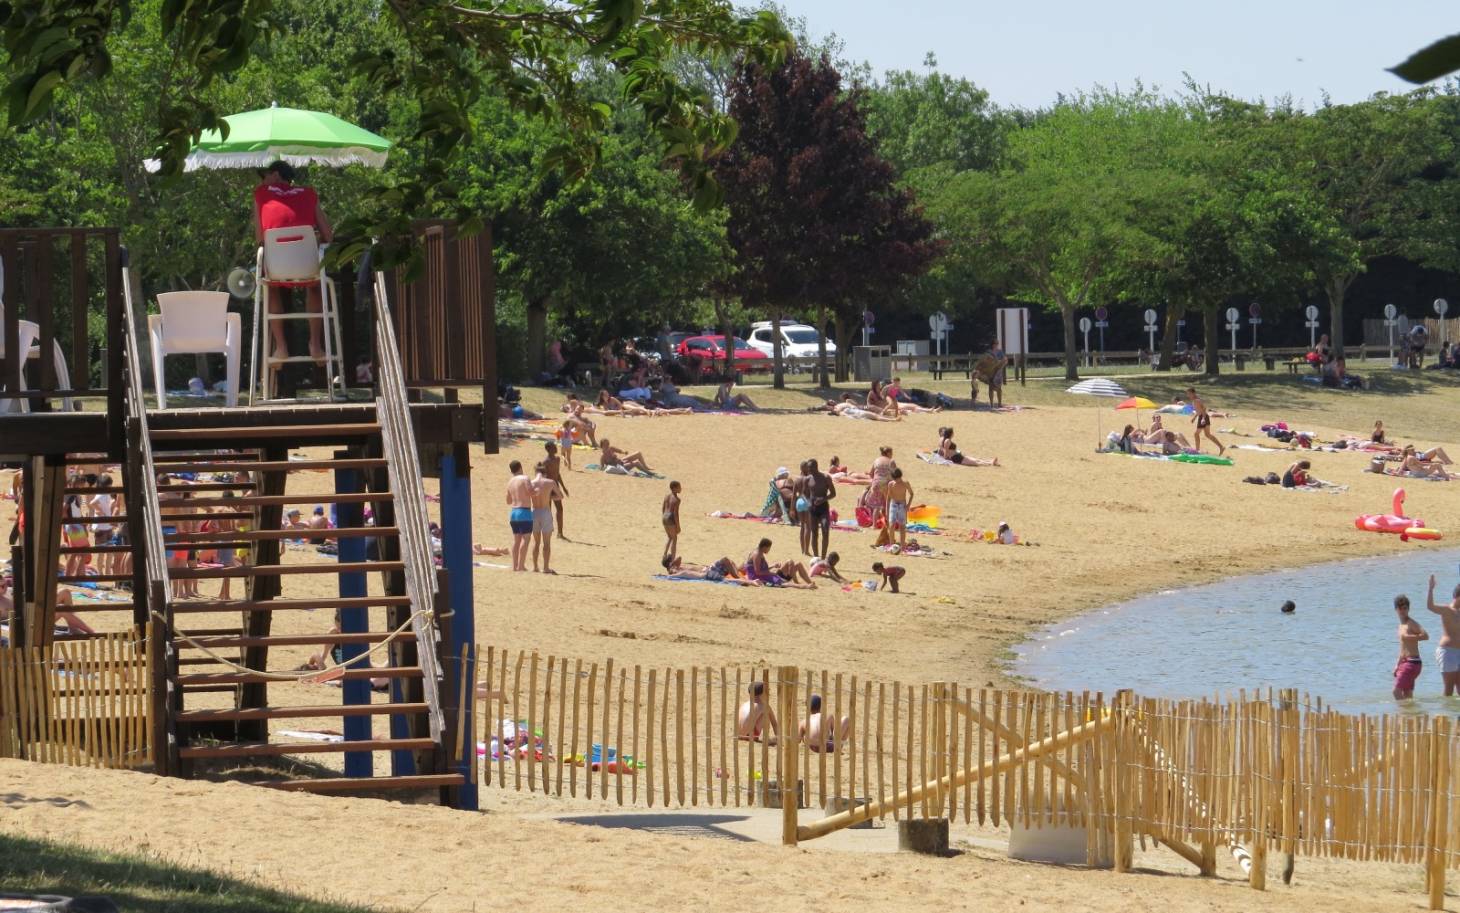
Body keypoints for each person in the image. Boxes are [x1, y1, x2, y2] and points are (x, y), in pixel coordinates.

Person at [253, 161, 333, 361]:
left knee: (270, 286)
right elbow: (328, 235)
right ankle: (315, 345)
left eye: (266, 175)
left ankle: (281, 348)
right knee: (315, 285)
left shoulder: (261, 193)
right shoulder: (308, 193)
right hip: (306, 265)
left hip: (276, 266)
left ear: (277, 175)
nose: (263, 181)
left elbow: (260, 238)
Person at [1426, 575, 1460, 696]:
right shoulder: (1447, 610)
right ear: (1457, 596)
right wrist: (1430, 589)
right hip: (1448, 651)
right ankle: (1445, 715)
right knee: (1449, 689)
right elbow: (1430, 607)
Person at [1394, 594, 1428, 700]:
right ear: (1396, 609)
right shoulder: (1401, 626)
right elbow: (1403, 649)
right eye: (1400, 608)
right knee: (1407, 694)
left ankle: (1402, 715)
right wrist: (1397, 665)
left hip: (1412, 662)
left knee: (1396, 691)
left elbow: (1426, 636)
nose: (1403, 610)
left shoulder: (1411, 623)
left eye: (1405, 608)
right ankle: (1410, 715)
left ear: (1408, 609)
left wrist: (1409, 637)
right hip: (1407, 662)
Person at [529, 462, 561, 574]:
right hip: (545, 512)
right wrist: (549, 496)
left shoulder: (531, 483)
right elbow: (560, 496)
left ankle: (535, 567)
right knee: (546, 543)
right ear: (545, 473)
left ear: (536, 472)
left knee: (536, 542)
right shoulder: (550, 482)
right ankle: (546, 568)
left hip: (534, 512)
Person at [505, 461, 535, 572]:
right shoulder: (525, 478)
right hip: (524, 512)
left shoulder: (510, 482)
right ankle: (521, 565)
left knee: (516, 540)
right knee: (525, 539)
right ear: (520, 467)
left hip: (514, 512)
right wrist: (538, 491)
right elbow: (531, 492)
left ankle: (514, 566)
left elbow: (508, 501)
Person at [804, 458, 836, 557]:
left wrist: (822, 499)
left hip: (823, 507)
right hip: (812, 508)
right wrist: (808, 502)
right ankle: (816, 557)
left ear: (816, 467)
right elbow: (804, 494)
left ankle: (823, 557)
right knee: (814, 533)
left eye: (810, 468)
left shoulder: (826, 477)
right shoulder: (808, 479)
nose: (809, 470)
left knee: (825, 531)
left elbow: (833, 493)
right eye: (808, 468)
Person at [541, 441, 569, 540]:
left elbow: (557, 474)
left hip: (555, 486)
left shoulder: (557, 459)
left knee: (560, 509)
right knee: (548, 510)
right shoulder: (545, 462)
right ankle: (548, 530)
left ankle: (560, 533)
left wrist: (564, 487)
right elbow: (542, 476)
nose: (556, 448)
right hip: (547, 487)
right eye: (554, 447)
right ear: (549, 449)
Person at [1187, 387, 1224, 456]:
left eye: (1189, 393)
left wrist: (1203, 419)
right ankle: (1221, 447)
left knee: (1196, 434)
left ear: (1193, 393)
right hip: (1204, 417)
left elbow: (1204, 409)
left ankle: (1197, 450)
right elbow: (1199, 410)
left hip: (1203, 417)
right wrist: (1194, 418)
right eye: (1188, 394)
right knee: (1207, 434)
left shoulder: (1197, 400)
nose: (1188, 395)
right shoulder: (1195, 400)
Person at [884, 467, 913, 549]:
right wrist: (887, 510)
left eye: (898, 479)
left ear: (900, 476)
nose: (897, 481)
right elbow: (888, 498)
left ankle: (903, 545)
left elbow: (911, 494)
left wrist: (908, 505)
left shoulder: (905, 483)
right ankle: (892, 545)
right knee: (891, 525)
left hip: (902, 505)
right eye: (895, 479)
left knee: (902, 526)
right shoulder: (891, 484)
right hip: (893, 504)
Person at [662, 480, 682, 563]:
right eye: (679, 487)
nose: (681, 488)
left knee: (669, 537)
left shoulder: (667, 496)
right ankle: (673, 559)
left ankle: (665, 554)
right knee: (674, 538)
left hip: (664, 517)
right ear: (674, 488)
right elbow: (675, 514)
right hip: (671, 517)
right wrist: (678, 526)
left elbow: (663, 508)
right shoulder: (677, 499)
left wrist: (664, 517)